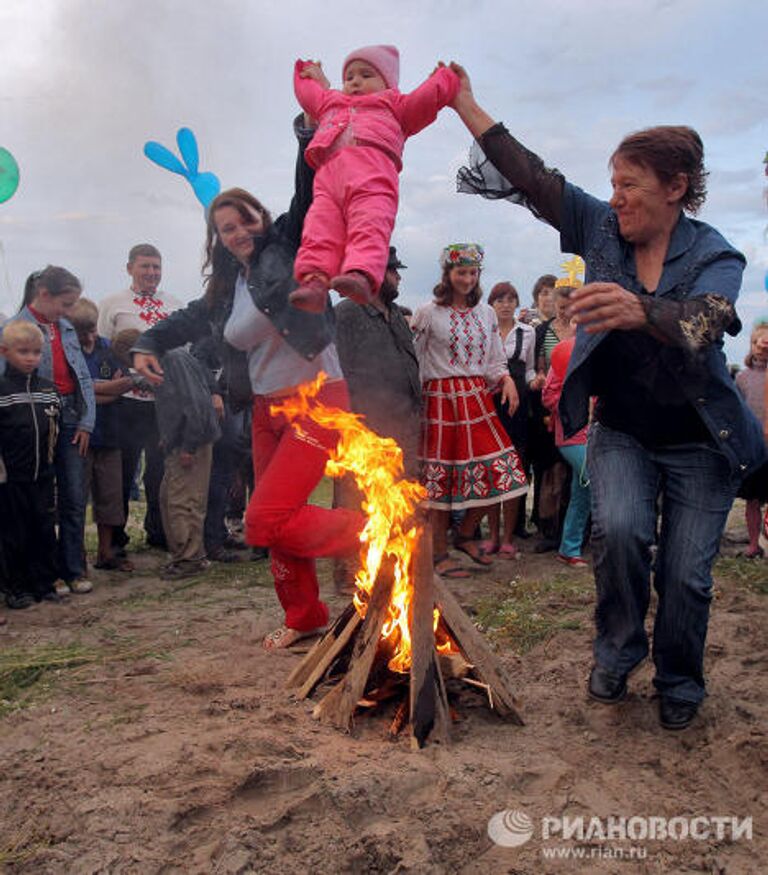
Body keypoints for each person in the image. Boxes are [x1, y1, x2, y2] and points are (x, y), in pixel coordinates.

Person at [452, 64, 766, 729]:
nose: (615, 197)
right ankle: (618, 650)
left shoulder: (718, 256)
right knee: (619, 533)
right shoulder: (600, 230)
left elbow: (705, 322)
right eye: (613, 183)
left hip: (701, 441)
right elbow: (534, 178)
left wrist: (638, 308)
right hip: (620, 430)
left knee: (685, 575)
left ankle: (679, 676)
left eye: (630, 185)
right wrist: (464, 105)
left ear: (676, 187)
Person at [132, 114, 364, 650]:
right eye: (226, 229)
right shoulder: (227, 285)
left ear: (261, 217)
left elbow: (307, 199)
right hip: (266, 407)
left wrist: (306, 138)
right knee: (275, 525)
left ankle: (380, 533)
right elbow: (189, 318)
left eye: (245, 221)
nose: (238, 234)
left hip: (318, 398)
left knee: (263, 520)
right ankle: (305, 616)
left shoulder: (285, 248)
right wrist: (148, 344)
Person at [289, 46, 459, 311]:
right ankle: (314, 280)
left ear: (387, 83)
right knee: (319, 228)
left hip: (372, 178)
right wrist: (306, 74)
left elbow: (425, 99)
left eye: (366, 74)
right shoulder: (330, 103)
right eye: (350, 77)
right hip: (328, 181)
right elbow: (308, 94)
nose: (355, 81)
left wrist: (443, 78)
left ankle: (361, 274)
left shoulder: (395, 105)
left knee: (369, 224)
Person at [412, 243, 528, 579]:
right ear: (447, 274)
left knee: (502, 471)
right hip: (440, 399)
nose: (467, 278)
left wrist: (505, 379)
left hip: (477, 398)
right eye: (460, 272)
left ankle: (464, 536)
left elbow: (494, 358)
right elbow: (416, 360)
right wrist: (415, 401)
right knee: (440, 484)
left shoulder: (486, 313)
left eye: (472, 272)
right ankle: (438, 554)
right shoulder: (428, 313)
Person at [2, 267, 96, 596]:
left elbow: (83, 376)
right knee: (34, 503)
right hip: (30, 424)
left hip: (68, 415)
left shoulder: (65, 328)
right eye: (65, 304)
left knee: (73, 497)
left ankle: (71, 568)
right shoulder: (13, 330)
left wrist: (86, 421)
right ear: (44, 295)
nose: (69, 312)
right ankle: (36, 573)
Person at [333, 245, 422, 590]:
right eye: (392, 270)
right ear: (372, 272)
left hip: (404, 423)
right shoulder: (347, 314)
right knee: (356, 502)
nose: (398, 276)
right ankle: (350, 571)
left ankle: (393, 564)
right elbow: (336, 370)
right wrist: (349, 427)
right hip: (366, 428)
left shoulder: (396, 314)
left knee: (402, 496)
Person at [98, 244, 183, 552]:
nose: (151, 273)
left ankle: (157, 532)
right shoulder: (112, 304)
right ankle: (117, 537)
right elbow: (102, 348)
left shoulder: (174, 305)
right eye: (145, 266)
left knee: (160, 471)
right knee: (124, 469)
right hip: (127, 401)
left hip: (163, 402)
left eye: (156, 267)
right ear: (130, 268)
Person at [69, 299, 135, 572]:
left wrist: (92, 391)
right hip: (80, 436)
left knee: (110, 495)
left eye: (92, 329)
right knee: (76, 498)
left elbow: (127, 382)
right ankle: (76, 557)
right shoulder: (69, 352)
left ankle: (106, 552)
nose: (89, 336)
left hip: (110, 432)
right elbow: (74, 391)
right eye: (82, 331)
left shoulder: (108, 348)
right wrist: (105, 389)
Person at [0, 321, 62, 608]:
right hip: (12, 477)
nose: (30, 358)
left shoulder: (49, 389)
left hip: (44, 474)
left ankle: (44, 582)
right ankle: (16, 587)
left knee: (44, 527)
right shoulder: (2, 391)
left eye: (36, 352)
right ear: (4, 352)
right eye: (23, 351)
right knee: (15, 532)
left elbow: (56, 428)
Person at [482, 281, 541, 557]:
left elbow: (528, 370)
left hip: (518, 406)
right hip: (491, 402)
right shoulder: (484, 330)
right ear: (491, 305)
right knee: (493, 469)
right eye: (500, 300)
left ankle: (508, 536)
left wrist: (536, 382)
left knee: (514, 468)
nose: (506, 305)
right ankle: (492, 534)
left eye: (511, 300)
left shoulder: (527, 331)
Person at [154, 349, 221, 579]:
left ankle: (189, 558)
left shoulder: (173, 361)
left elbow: (194, 405)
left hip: (191, 442)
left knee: (182, 502)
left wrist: (188, 446)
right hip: (184, 440)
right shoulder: (178, 360)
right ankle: (190, 554)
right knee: (170, 497)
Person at [542, 334, 590, 568]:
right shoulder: (565, 352)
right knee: (590, 478)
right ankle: (574, 545)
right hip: (572, 435)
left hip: (601, 433)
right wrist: (578, 401)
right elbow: (548, 396)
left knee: (583, 490)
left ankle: (570, 548)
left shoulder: (603, 348)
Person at [735, 320, 768, 558]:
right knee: (752, 499)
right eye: (758, 342)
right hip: (754, 448)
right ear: (751, 345)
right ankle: (753, 544)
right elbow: (737, 413)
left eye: (766, 343)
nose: (762, 347)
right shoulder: (742, 378)